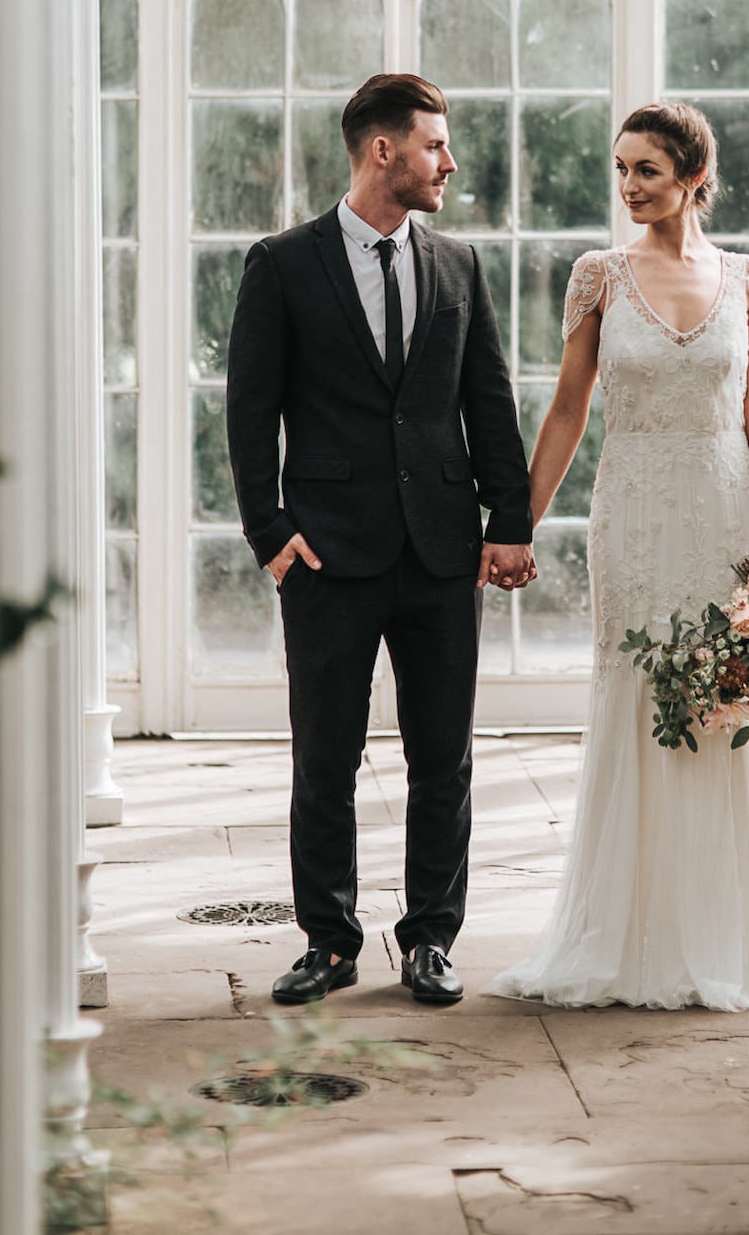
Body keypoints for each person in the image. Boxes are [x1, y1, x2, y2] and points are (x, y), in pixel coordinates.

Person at [489, 103, 749, 1011]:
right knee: (636, 697)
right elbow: (568, 408)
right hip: (633, 513)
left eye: (645, 169)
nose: (628, 186)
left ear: (691, 175)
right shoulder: (598, 278)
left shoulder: (745, 278)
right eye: (621, 169)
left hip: (724, 513)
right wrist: (518, 520)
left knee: (722, 704)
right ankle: (630, 935)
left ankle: (736, 935)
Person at [226, 73, 534, 1009]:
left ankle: (431, 939)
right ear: (382, 150)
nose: (450, 161)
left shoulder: (459, 265)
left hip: (441, 553)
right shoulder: (282, 264)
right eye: (436, 145)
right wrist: (271, 535)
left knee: (444, 754)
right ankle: (329, 942)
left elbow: (489, 400)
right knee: (325, 758)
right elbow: (250, 412)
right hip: (327, 554)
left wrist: (508, 520)